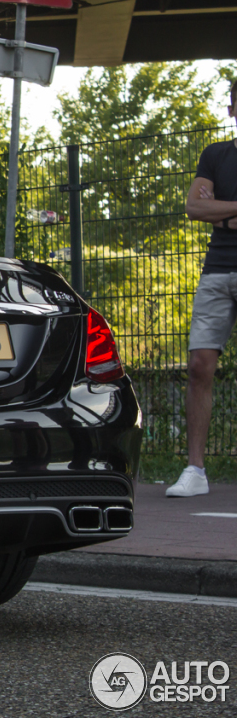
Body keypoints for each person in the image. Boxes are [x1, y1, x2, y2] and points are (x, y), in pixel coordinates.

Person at [168, 80, 237, 498]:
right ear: (231, 109)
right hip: (217, 271)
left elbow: (210, 208)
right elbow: (195, 207)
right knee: (199, 366)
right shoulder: (215, 154)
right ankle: (195, 471)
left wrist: (221, 212)